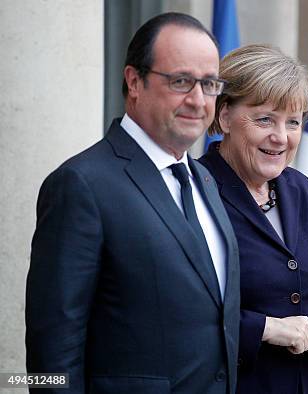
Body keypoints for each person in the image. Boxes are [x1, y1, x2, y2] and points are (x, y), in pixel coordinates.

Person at [26, 13, 240, 393]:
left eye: (209, 84)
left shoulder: (205, 179)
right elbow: (52, 351)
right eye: (180, 81)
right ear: (133, 81)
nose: (197, 99)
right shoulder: (81, 184)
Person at [199, 44, 308, 394]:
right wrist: (265, 328)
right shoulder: (196, 191)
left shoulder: (300, 189)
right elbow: (182, 314)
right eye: (265, 118)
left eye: (293, 123)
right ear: (224, 117)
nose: (281, 137)